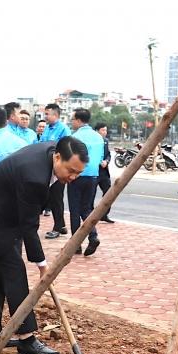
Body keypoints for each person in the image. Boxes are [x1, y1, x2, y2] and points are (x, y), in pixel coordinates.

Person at [0, 137, 89, 354]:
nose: (73, 177)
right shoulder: (34, 176)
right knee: (15, 273)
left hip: (3, 216)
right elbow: (30, 226)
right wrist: (42, 265)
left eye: (78, 173)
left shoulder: (51, 152)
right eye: (71, 170)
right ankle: (27, 339)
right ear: (58, 157)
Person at [66, 108, 104, 256]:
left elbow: (70, 158)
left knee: (75, 211)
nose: (72, 122)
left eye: (73, 119)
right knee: (86, 209)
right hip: (93, 176)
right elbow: (100, 158)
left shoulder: (75, 137)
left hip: (77, 175)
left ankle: (76, 244)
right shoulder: (98, 137)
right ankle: (93, 235)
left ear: (79, 120)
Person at [40, 104, 71, 237]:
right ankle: (61, 225)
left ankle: (58, 227)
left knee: (56, 197)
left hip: (59, 168)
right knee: (52, 198)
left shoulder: (63, 129)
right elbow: (41, 143)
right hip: (48, 166)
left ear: (55, 115)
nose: (45, 116)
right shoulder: (47, 128)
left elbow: (67, 148)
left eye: (47, 114)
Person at [94, 123, 115, 223]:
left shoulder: (106, 141)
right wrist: (99, 162)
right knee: (91, 194)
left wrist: (106, 161)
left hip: (104, 172)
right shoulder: (92, 141)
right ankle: (90, 216)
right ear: (97, 131)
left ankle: (104, 214)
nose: (105, 132)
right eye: (103, 130)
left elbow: (108, 155)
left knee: (109, 193)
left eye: (106, 130)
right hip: (94, 171)